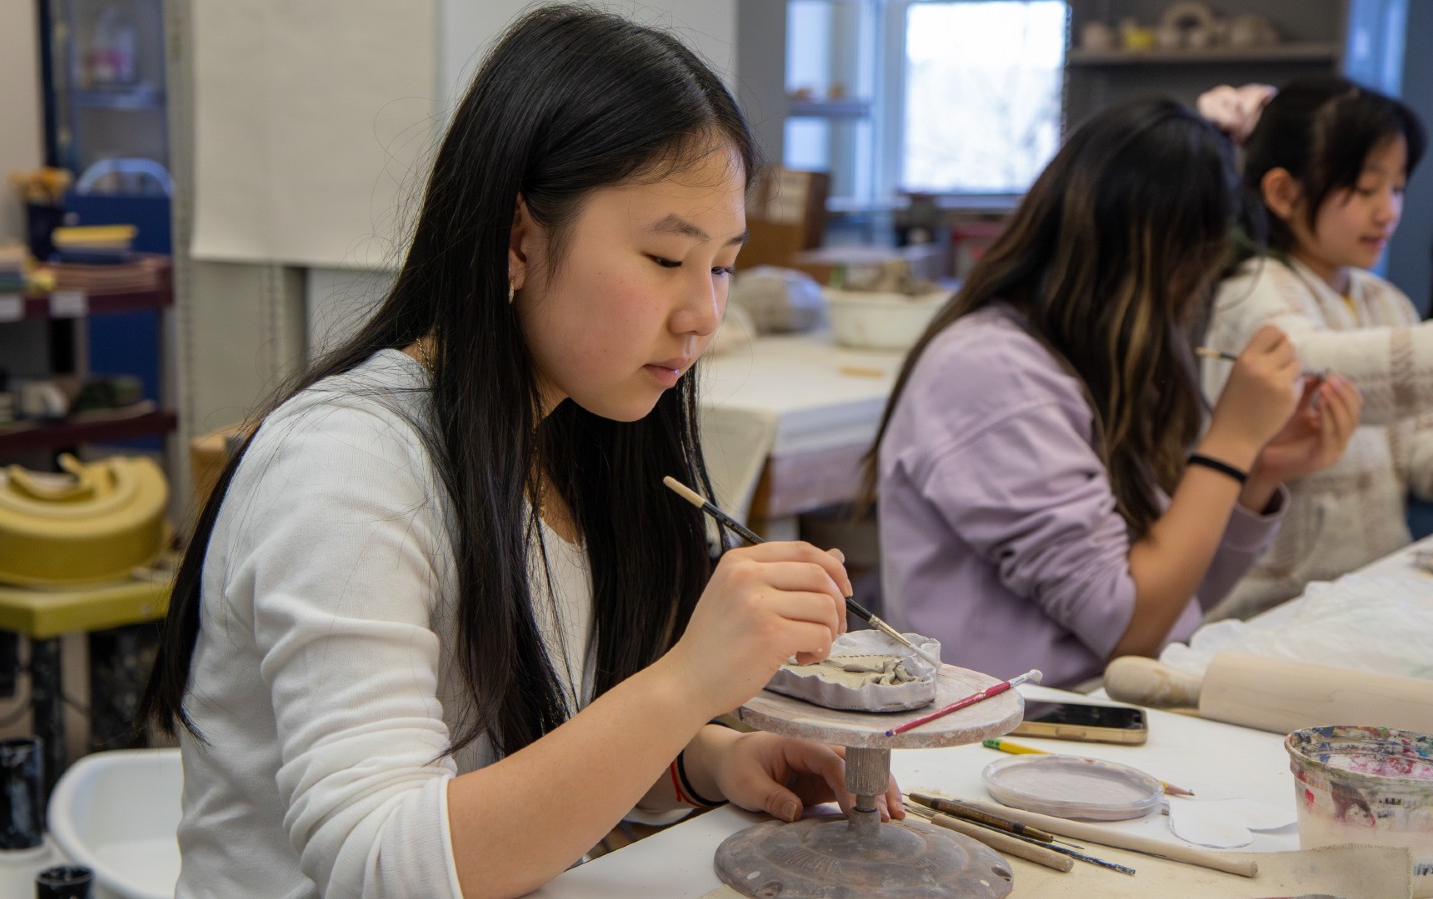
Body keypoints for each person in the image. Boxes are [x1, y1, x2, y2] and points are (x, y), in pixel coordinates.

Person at [137, 7, 902, 899]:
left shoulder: (573, 432)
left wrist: (709, 759)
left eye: (723, 265)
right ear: (518, 238)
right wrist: (686, 683)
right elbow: (380, 864)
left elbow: (530, 749)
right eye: (665, 257)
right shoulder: (345, 467)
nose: (703, 312)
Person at [863, 98, 1362, 689]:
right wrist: (1229, 443)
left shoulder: (1095, 355)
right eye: (1195, 267)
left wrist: (1254, 474)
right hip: (1000, 736)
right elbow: (1130, 624)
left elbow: (1176, 598)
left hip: (1087, 711)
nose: (1192, 296)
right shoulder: (990, 371)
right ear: (1154, 258)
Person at [1200, 74, 1429, 620]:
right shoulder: (1251, 290)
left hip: (1370, 595)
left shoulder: (1386, 301)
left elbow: (1415, 448)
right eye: (1366, 188)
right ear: (1283, 193)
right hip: (1270, 608)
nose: (1388, 211)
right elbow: (1314, 365)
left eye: (1396, 187)